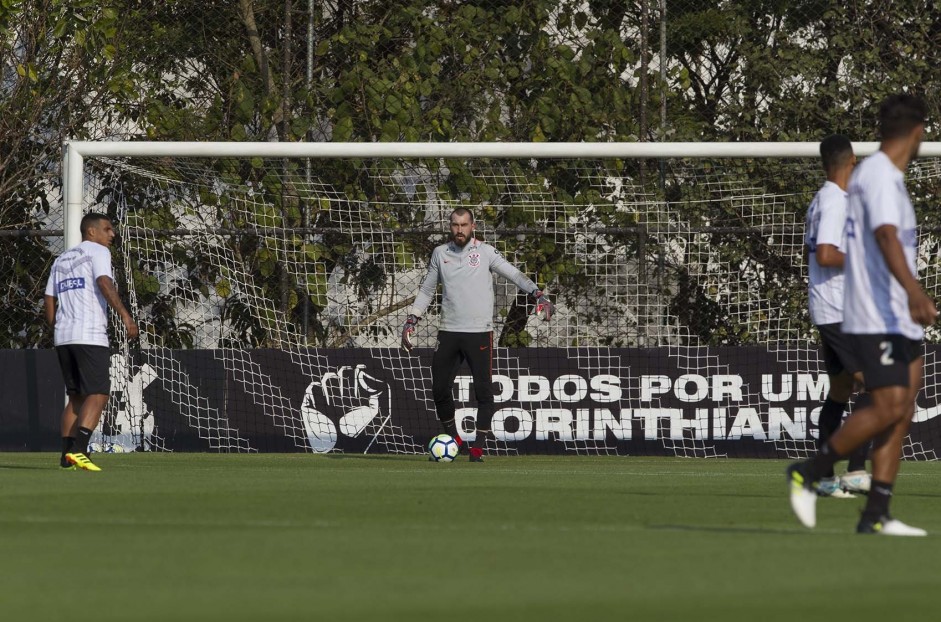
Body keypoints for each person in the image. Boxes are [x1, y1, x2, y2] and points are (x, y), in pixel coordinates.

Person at [788, 94, 935, 536]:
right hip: (880, 312)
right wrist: (914, 291)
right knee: (886, 402)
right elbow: (886, 237)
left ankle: (876, 513)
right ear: (918, 131)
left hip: (895, 313)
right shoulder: (880, 178)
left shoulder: (876, 175)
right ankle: (810, 471)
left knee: (902, 406)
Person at [401, 207, 554, 462]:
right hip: (448, 332)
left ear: (473, 226)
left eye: (463, 225)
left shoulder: (485, 252)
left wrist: (537, 294)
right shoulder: (440, 253)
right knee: (439, 390)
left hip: (479, 333)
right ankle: (456, 440)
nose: (459, 230)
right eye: (454, 225)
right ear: (450, 227)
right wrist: (412, 319)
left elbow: (514, 273)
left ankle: (478, 447)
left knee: (483, 392)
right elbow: (427, 290)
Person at [803, 134, 871, 497]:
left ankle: (825, 476)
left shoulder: (818, 201)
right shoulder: (835, 203)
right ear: (853, 161)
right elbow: (828, 255)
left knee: (842, 389)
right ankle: (857, 469)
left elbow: (811, 255)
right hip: (837, 311)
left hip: (829, 306)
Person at [44, 212, 139, 471]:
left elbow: (49, 299)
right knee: (98, 393)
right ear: (91, 232)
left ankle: (66, 456)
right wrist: (125, 316)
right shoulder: (97, 252)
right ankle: (80, 450)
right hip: (89, 335)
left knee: (76, 398)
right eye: (108, 229)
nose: (112, 234)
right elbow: (103, 282)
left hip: (64, 337)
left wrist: (58, 327)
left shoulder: (61, 259)